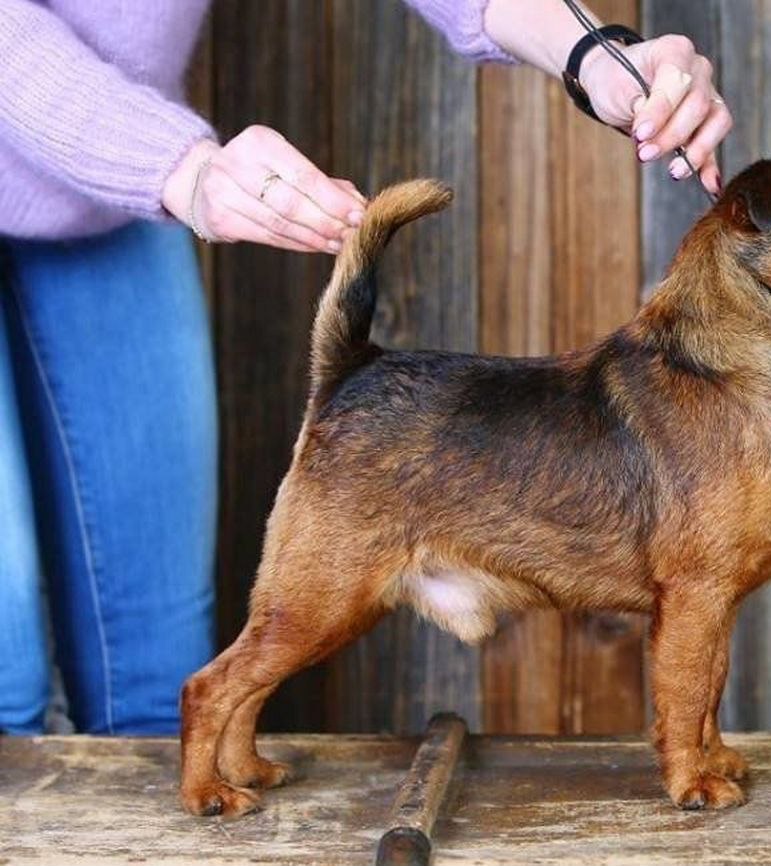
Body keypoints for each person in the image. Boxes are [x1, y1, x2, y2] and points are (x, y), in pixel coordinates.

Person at [0, 0, 732, 735]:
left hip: (116, 200)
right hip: (131, 147)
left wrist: (594, 52)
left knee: (153, 669)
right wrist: (181, 169)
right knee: (7, 673)